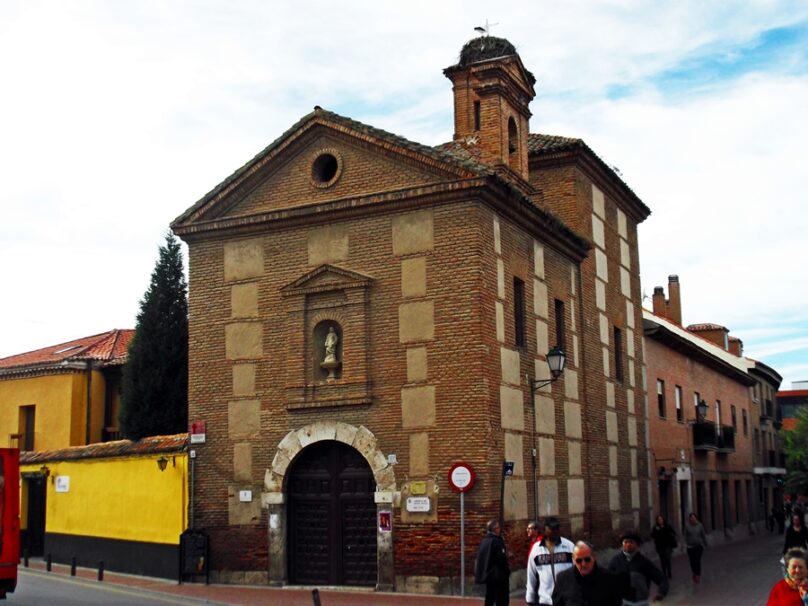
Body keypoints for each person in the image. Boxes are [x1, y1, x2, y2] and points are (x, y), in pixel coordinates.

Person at [552, 541, 626, 606]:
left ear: (594, 557)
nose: (583, 564)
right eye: (579, 560)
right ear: (573, 559)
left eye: (587, 559)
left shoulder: (609, 578)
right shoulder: (563, 579)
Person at [608, 530, 668, 604]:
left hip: (640, 602)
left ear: (637, 544)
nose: (628, 545)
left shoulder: (644, 562)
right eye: (626, 542)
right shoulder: (615, 561)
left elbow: (662, 578)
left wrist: (661, 593)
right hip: (622, 602)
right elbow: (607, 580)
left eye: (631, 542)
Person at [526, 516, 574, 605]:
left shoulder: (569, 546)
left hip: (566, 600)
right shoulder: (536, 549)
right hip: (545, 600)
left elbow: (577, 571)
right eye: (552, 528)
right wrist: (530, 598)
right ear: (544, 530)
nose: (555, 531)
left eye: (557, 528)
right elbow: (531, 575)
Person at [475, 519, 510, 606]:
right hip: (498, 576)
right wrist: (507, 570)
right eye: (498, 527)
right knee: (501, 599)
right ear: (495, 529)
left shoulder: (484, 541)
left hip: (489, 576)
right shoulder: (497, 541)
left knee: (489, 597)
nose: (500, 529)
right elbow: (501, 558)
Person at [683, 513, 708, 584]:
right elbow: (685, 536)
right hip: (690, 547)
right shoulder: (687, 526)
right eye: (691, 518)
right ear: (689, 519)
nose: (692, 519)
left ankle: (698, 574)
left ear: (696, 518)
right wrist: (683, 544)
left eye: (694, 518)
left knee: (697, 560)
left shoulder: (700, 525)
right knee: (692, 561)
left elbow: (703, 535)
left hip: (698, 546)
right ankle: (694, 572)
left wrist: (706, 544)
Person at [650, 515, 677, 580]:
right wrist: (656, 531)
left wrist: (671, 534)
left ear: (663, 520)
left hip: (668, 545)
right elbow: (652, 536)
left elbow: (673, 533)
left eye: (661, 519)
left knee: (667, 558)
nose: (660, 521)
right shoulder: (655, 527)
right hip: (660, 546)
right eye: (658, 520)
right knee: (662, 559)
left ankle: (669, 572)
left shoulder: (667, 526)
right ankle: (664, 573)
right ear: (657, 521)